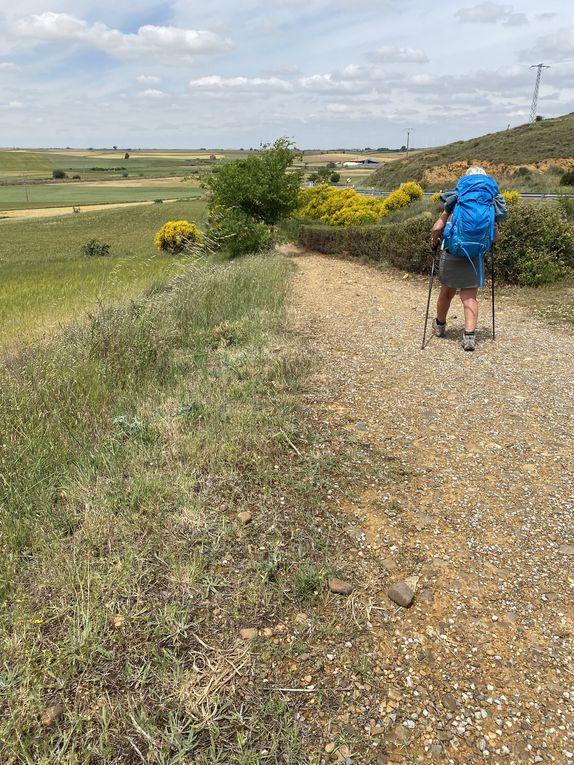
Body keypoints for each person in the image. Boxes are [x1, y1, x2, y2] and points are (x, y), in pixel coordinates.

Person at [430, 167, 508, 351]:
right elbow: (495, 236)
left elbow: (438, 225)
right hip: (475, 253)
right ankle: (469, 336)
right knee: (469, 296)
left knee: (447, 293)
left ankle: (440, 326)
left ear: (466, 179)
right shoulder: (492, 200)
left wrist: (434, 239)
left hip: (453, 250)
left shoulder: (457, 196)